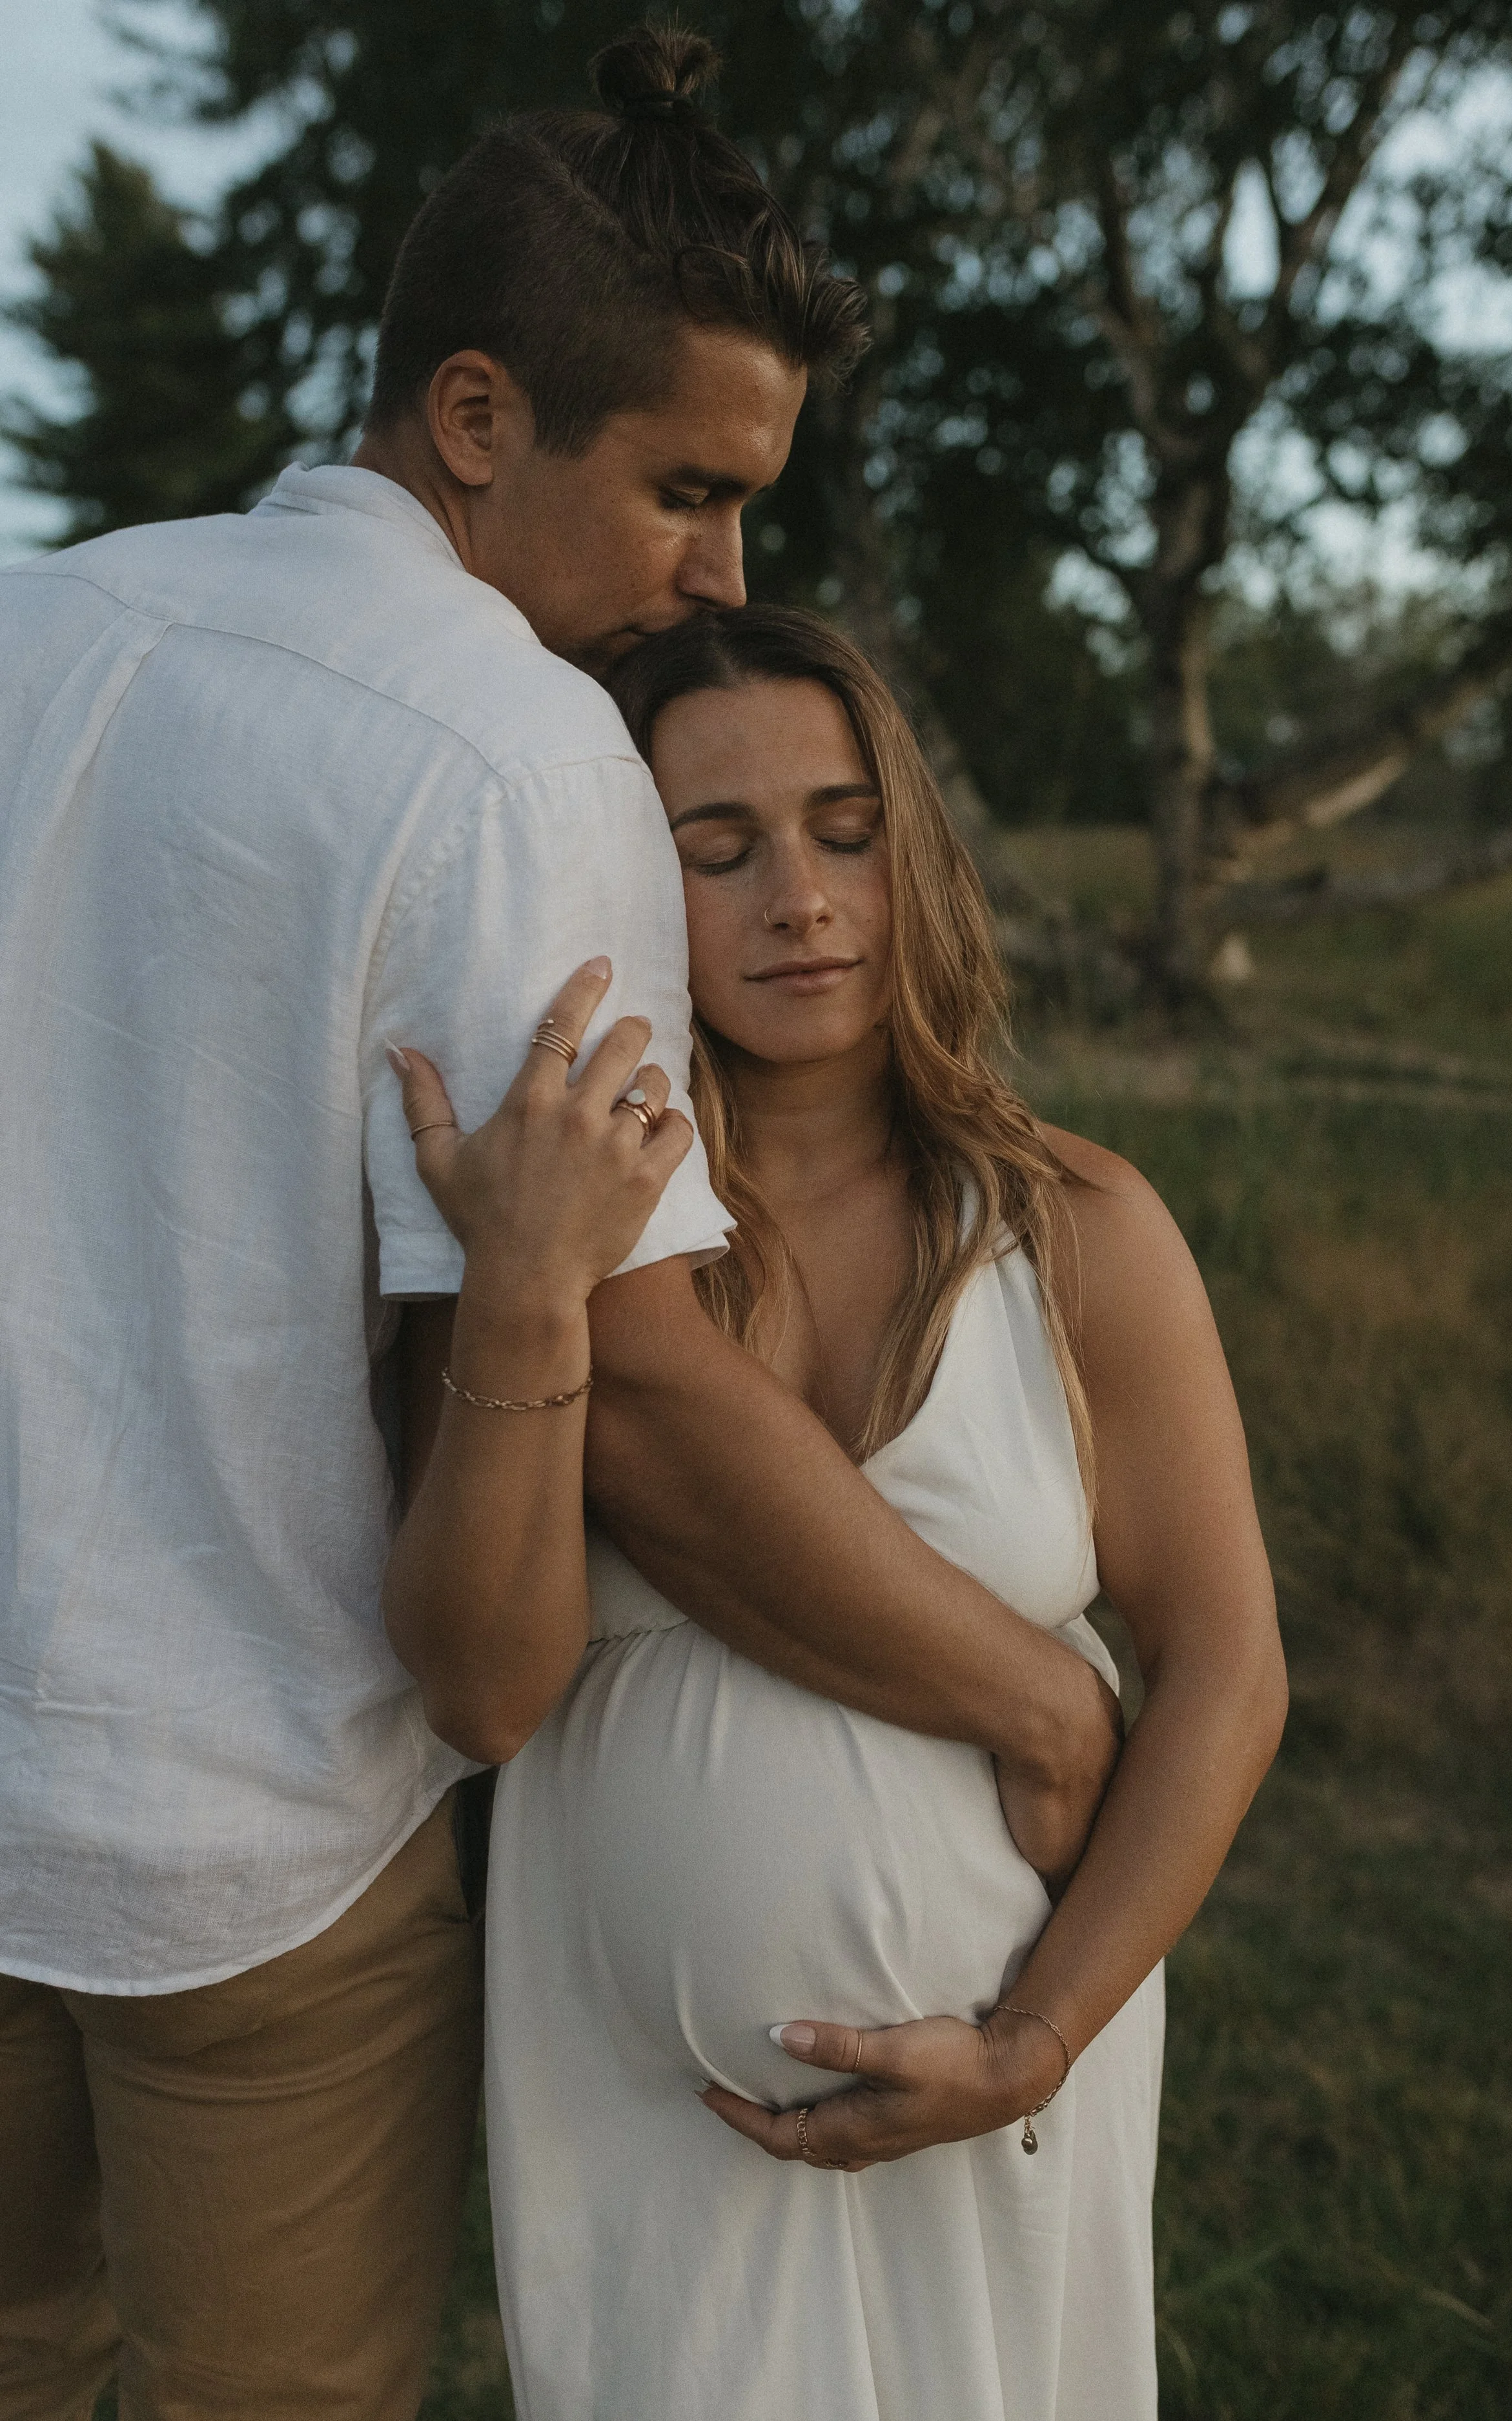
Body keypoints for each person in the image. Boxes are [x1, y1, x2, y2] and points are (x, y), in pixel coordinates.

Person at [0, 29, 1120, 2420]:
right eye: (692, 493)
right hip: (250, 1860)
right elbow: (642, 1411)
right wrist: (1040, 1692)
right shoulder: (515, 754)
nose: (725, 574)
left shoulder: (36, 628)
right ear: (479, 417)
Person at [392, 606, 1288, 2420]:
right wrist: (521, 1290)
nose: (798, 896)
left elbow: (1224, 1669)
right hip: (653, 2123)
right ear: (616, 889)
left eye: (844, 830)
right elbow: (475, 1683)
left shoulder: (1079, 1229)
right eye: (711, 851)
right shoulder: (547, 1235)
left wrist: (1031, 2039)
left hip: (1012, 2089)